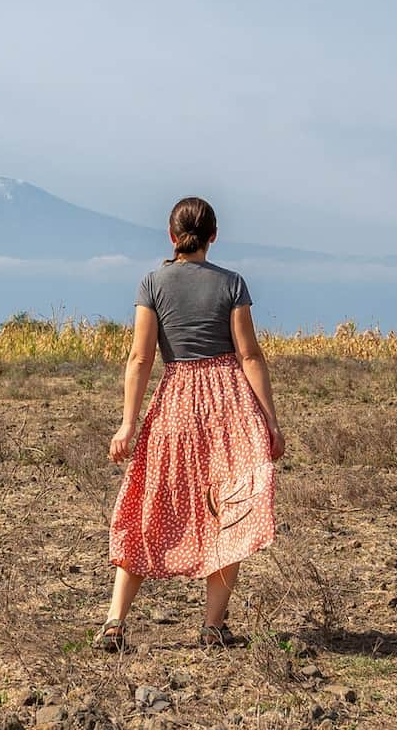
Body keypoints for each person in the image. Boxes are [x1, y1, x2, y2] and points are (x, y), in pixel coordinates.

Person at [96, 196, 285, 652]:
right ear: (213, 236)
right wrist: (270, 422)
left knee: (148, 504)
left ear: (171, 236)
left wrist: (127, 425)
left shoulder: (152, 283)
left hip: (175, 403)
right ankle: (212, 627)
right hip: (229, 406)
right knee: (230, 511)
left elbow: (141, 358)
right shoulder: (232, 284)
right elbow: (250, 356)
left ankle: (115, 623)